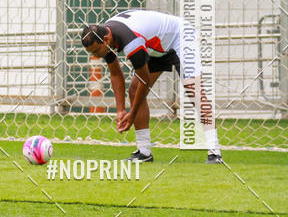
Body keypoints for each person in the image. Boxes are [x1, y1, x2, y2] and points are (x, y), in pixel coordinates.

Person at [81, 9, 222, 164]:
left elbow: (145, 80)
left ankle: (215, 152)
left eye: (95, 50)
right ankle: (144, 151)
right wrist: (121, 110)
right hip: (155, 46)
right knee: (134, 91)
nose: (95, 55)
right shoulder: (104, 38)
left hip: (180, 37)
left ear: (106, 39)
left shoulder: (129, 41)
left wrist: (131, 115)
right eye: (91, 52)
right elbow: (116, 74)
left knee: (193, 90)